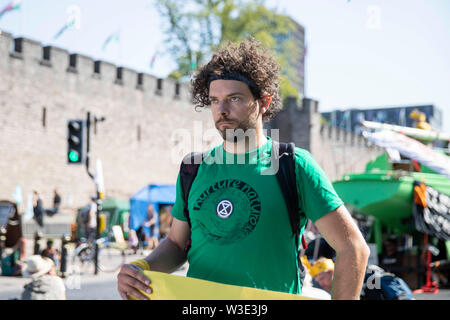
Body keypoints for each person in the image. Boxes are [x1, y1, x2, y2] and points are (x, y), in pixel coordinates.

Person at [117, 38, 370, 300]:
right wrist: (141, 267)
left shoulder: (293, 165)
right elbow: (177, 244)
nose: (222, 110)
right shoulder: (192, 168)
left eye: (234, 98)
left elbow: (353, 247)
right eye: (214, 100)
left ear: (264, 102)